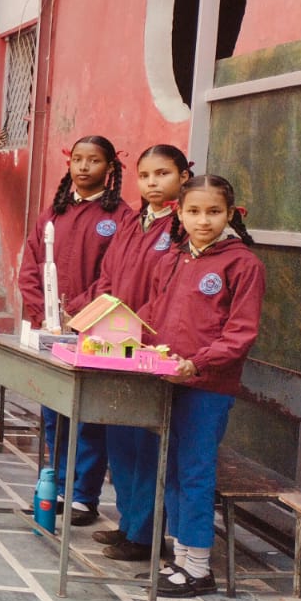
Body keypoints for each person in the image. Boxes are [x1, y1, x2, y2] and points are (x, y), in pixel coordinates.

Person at [139, 175, 264, 598]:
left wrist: (197, 364)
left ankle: (198, 568)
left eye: (214, 212)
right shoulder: (173, 259)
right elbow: (153, 313)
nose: (203, 220)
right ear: (179, 213)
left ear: (231, 214)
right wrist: (127, 336)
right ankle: (179, 558)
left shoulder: (243, 264)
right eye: (193, 211)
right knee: (172, 468)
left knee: (195, 471)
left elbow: (240, 334)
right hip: (167, 378)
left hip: (208, 385)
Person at [18, 134, 134, 524]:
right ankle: (55, 485)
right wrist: (44, 313)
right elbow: (30, 265)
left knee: (88, 415)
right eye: (78, 159)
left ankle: (83, 495)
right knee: (54, 411)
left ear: (110, 167)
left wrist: (78, 312)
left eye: (94, 160)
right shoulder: (53, 213)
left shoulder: (120, 217)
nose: (84, 167)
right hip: (52, 329)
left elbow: (114, 276)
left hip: (95, 331)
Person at [89, 144, 190, 562]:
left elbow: (169, 292)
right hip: (117, 342)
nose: (152, 183)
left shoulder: (184, 226)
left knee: (147, 442)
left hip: (152, 344)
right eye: (145, 175)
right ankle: (128, 523)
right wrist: (97, 313)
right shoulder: (133, 221)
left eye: (162, 174)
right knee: (121, 437)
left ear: (183, 177)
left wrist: (138, 326)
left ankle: (146, 535)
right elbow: (108, 275)